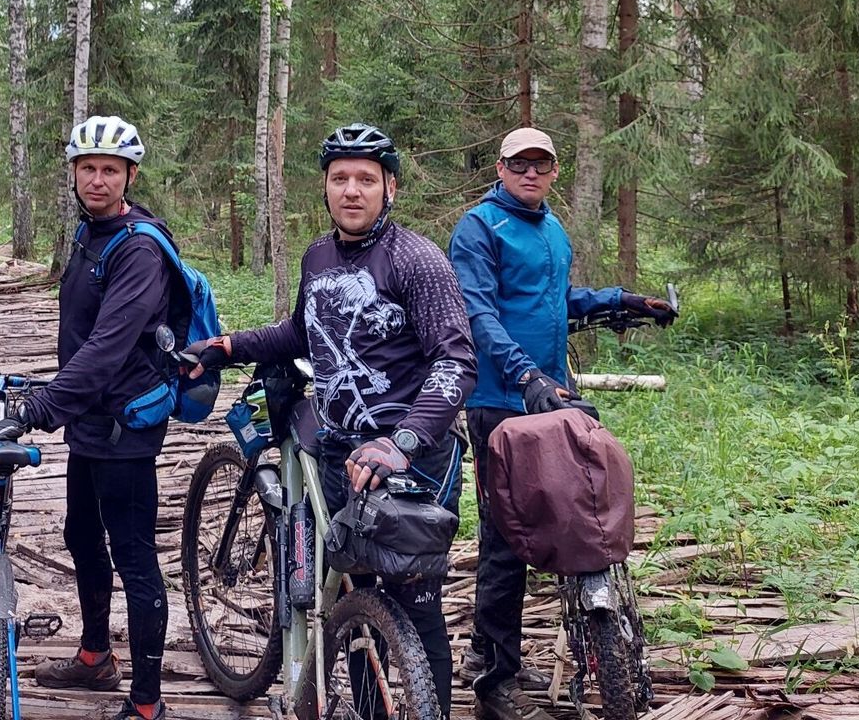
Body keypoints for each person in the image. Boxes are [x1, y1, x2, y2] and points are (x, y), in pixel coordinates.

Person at [186, 123, 476, 718]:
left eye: (366, 179)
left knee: (415, 605)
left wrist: (403, 441)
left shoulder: (417, 261)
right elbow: (302, 331)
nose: (351, 190)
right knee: (355, 593)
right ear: (324, 187)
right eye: (339, 178)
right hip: (342, 452)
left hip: (414, 458)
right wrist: (227, 346)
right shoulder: (317, 256)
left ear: (390, 188)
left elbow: (455, 360)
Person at [448, 126, 676, 720]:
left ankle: (514, 645)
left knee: (574, 511)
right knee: (504, 536)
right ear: (500, 168)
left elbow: (555, 301)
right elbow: (478, 314)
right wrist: (525, 375)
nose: (531, 172)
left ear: (553, 172)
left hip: (552, 394)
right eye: (519, 163)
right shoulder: (479, 228)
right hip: (500, 399)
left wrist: (623, 302)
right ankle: (494, 677)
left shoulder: (551, 229)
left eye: (541, 164)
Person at [0, 115, 176, 720]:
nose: (98, 179)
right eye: (88, 168)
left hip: (126, 428)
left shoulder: (140, 249)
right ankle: (96, 656)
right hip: (90, 421)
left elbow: (107, 347)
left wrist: (40, 408)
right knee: (81, 535)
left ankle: (147, 703)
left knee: (134, 557)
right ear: (73, 173)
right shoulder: (89, 233)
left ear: (130, 177)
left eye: (110, 170)